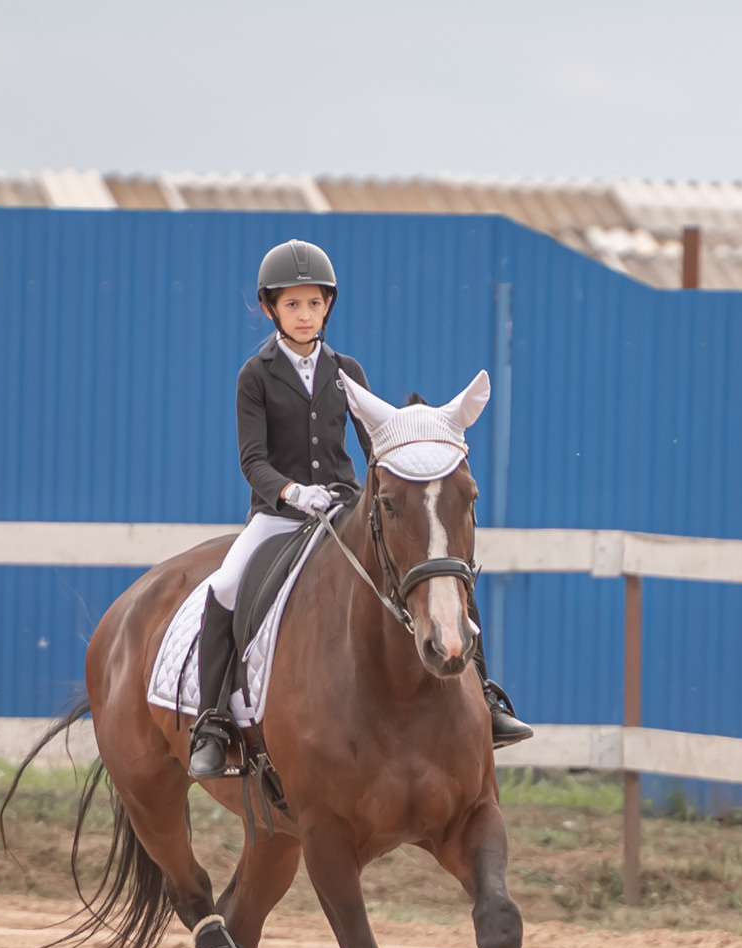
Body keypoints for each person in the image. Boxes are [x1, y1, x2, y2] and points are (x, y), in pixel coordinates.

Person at [186, 240, 533, 780]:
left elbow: (378, 448)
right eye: (293, 305)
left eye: (314, 304)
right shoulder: (254, 376)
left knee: (442, 570)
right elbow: (252, 460)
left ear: (328, 307)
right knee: (225, 586)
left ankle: (485, 696)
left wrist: (393, 488)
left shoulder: (346, 371)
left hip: (347, 507)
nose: (305, 315)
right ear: (270, 309)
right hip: (280, 516)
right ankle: (211, 723)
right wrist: (291, 492)